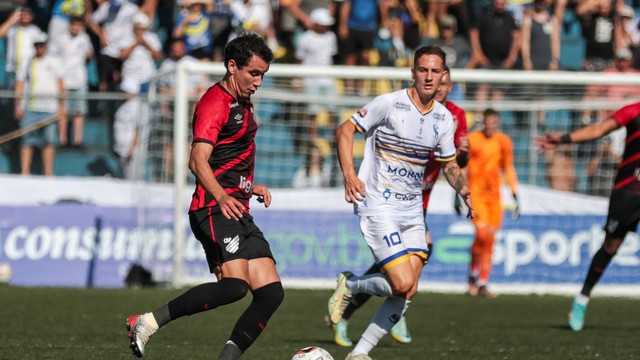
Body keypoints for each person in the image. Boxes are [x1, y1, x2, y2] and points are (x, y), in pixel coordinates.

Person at [125, 33, 284, 359]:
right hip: (213, 207)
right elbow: (197, 160)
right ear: (231, 66)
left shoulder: (242, 103)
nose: (258, 82)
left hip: (235, 207)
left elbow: (224, 161)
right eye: (253, 73)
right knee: (235, 287)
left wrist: (250, 188)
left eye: (262, 75)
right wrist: (224, 197)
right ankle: (148, 321)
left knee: (270, 293)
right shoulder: (215, 102)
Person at [328, 46, 474, 360]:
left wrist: (463, 190)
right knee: (401, 281)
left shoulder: (444, 118)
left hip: (412, 211)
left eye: (435, 71)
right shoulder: (389, 103)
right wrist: (350, 175)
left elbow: (449, 164)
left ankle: (359, 353)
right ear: (413, 72)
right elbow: (344, 130)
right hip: (379, 205)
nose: (429, 77)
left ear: (444, 76)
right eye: (423, 70)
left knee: (408, 290)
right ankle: (351, 284)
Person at [535, 101, 640, 332]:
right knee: (611, 247)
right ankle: (582, 299)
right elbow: (598, 130)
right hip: (628, 193)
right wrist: (562, 139)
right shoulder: (634, 111)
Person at [466, 108, 519, 298]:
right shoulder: (473, 139)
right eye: (488, 121)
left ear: (497, 122)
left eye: (494, 121)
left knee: (490, 239)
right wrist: (457, 193)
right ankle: (472, 275)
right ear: (483, 122)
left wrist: (514, 192)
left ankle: (482, 282)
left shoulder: (504, 141)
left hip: (494, 197)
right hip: (476, 194)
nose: (491, 125)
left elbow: (508, 166)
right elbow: (462, 166)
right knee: (481, 234)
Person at [14, 33, 66, 176]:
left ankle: (48, 173)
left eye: (42, 45)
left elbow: (61, 85)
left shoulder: (55, 62)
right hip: (31, 108)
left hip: (50, 108)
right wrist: (18, 105)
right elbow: (20, 83)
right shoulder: (27, 62)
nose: (40, 48)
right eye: (37, 45)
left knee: (48, 142)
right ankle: (25, 172)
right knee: (27, 141)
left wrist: (62, 108)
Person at [48, 15, 94, 147]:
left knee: (79, 111)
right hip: (64, 80)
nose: (76, 28)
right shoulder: (61, 38)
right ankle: (62, 139)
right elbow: (53, 57)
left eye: (78, 25)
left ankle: (77, 140)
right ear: (69, 25)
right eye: (74, 25)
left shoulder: (85, 39)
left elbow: (89, 55)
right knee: (63, 111)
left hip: (80, 79)